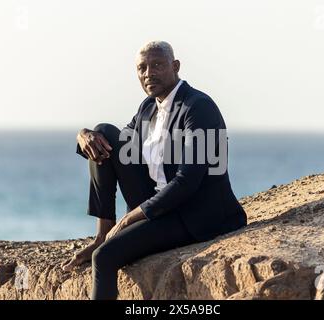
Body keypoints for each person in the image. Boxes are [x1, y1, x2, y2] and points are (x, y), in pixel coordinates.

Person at [61, 41, 247, 300]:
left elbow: (187, 182)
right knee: (102, 132)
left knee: (104, 257)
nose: (149, 73)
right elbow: (114, 149)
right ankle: (102, 234)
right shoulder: (148, 108)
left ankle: (106, 243)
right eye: (142, 68)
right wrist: (83, 135)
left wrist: (130, 219)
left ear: (176, 66)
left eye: (158, 65)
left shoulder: (198, 107)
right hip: (159, 203)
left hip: (194, 213)